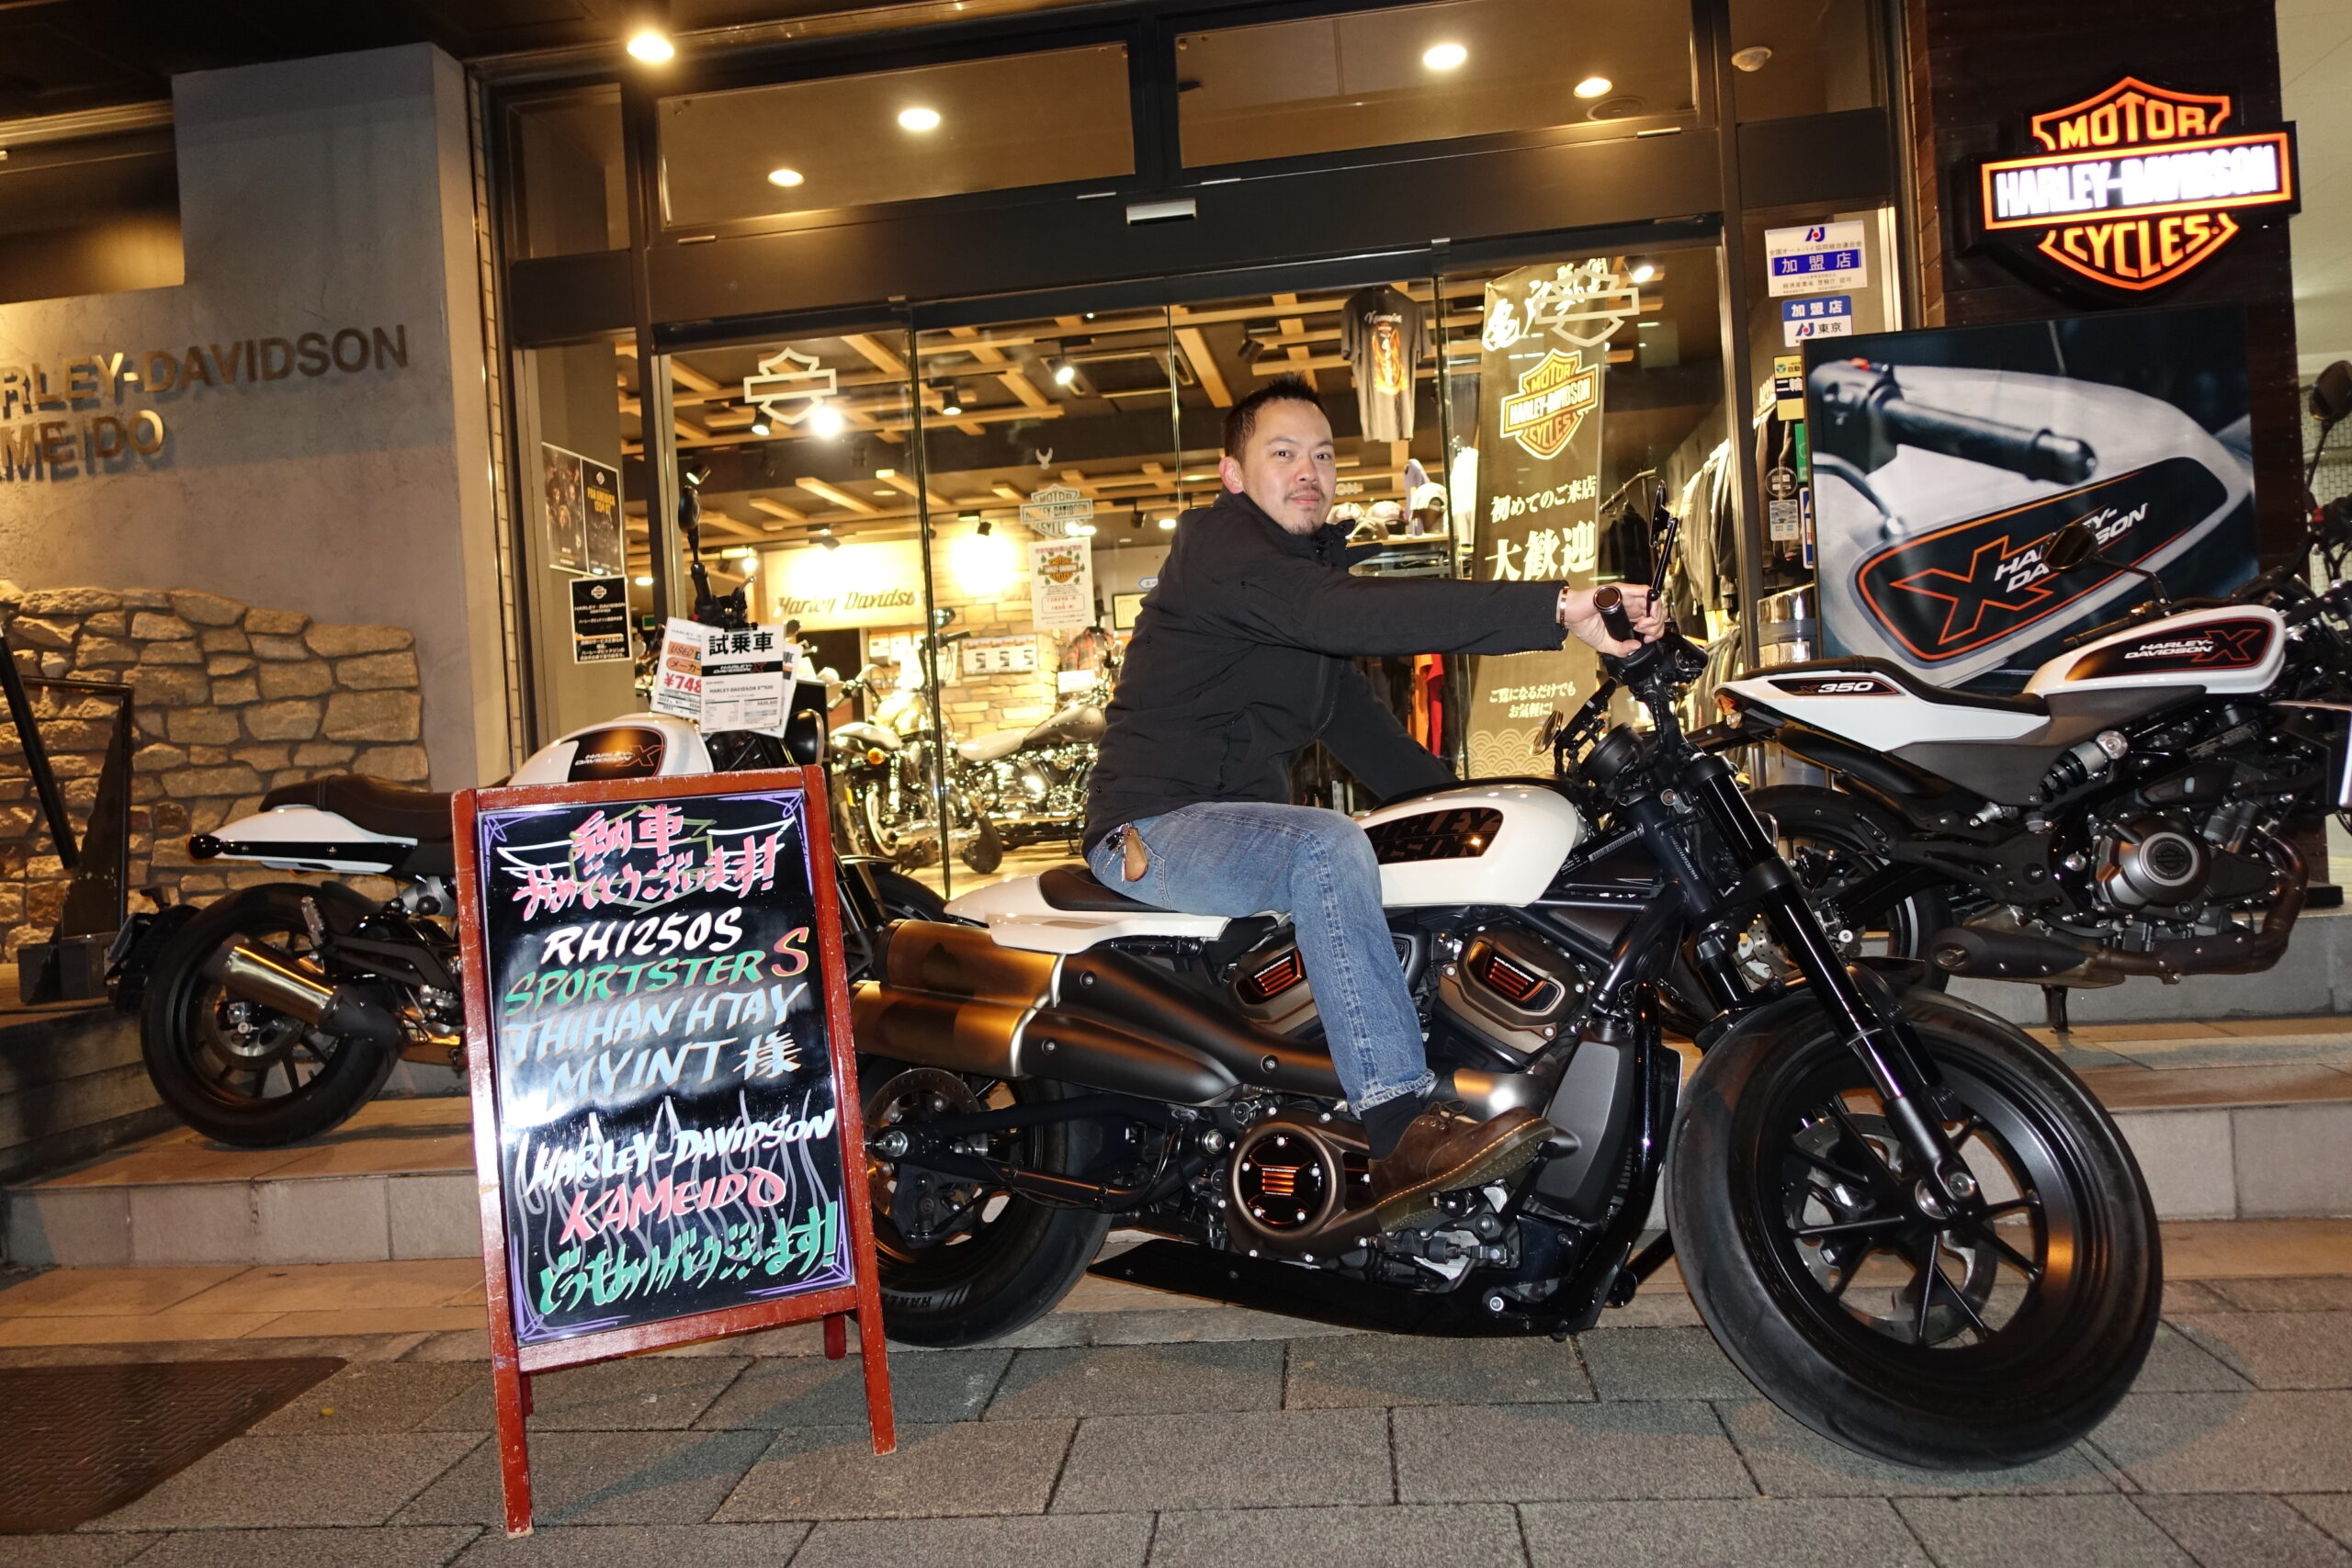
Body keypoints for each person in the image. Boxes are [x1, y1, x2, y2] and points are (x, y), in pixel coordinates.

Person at [1083, 375, 1662, 1229]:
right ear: (1233, 474)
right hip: (1153, 828)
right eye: (1283, 453)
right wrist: (1560, 607)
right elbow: (1351, 615)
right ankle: (1398, 1124)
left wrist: (1505, 807)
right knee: (1327, 846)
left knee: (1421, 853)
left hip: (1234, 833)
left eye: (1322, 456)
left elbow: (1381, 750)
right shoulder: (1223, 554)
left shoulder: (1300, 600)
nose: (1307, 471)